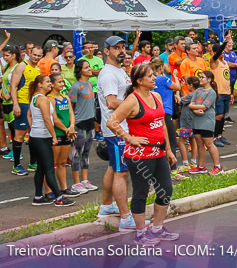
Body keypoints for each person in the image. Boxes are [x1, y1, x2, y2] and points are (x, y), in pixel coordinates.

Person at [106, 63, 180, 246]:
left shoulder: (156, 96)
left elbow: (162, 125)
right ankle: (140, 234)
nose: (154, 78)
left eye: (153, 75)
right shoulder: (132, 100)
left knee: (166, 189)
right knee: (141, 193)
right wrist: (129, 138)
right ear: (139, 81)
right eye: (150, 76)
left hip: (158, 152)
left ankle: (157, 228)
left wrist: (168, 150)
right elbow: (111, 121)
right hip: (139, 156)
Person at [96, 35, 135, 229]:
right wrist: (136, 105)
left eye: (123, 47)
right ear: (106, 51)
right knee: (122, 172)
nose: (121, 51)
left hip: (119, 127)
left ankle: (106, 206)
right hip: (118, 129)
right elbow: (111, 102)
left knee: (113, 168)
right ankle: (126, 218)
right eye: (116, 48)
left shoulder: (119, 71)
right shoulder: (109, 73)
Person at [27, 75, 74, 206]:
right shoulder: (42, 99)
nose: (50, 84)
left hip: (36, 136)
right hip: (42, 137)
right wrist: (54, 136)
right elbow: (48, 119)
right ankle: (59, 197)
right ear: (39, 85)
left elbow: (31, 116)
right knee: (49, 168)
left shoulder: (36, 98)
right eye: (47, 82)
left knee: (41, 168)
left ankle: (38, 197)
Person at [149, 58, 184, 181]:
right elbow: (178, 87)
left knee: (158, 142)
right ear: (161, 68)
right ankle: (173, 170)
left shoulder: (150, 80)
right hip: (166, 112)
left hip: (153, 113)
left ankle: (157, 172)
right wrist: (174, 76)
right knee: (171, 142)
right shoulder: (164, 79)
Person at [9, 45, 42, 175]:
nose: (36, 57)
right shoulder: (22, 66)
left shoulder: (38, 69)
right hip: (22, 104)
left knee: (33, 133)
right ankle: (16, 165)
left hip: (33, 104)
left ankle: (33, 162)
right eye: (34, 54)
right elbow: (13, 86)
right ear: (30, 53)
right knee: (19, 135)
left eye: (39, 56)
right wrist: (15, 104)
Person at [68, 59, 98, 192]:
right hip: (79, 124)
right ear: (80, 70)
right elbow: (71, 106)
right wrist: (72, 125)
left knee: (86, 153)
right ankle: (76, 183)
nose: (90, 69)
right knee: (76, 154)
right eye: (86, 67)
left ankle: (85, 180)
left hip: (90, 122)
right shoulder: (76, 86)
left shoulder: (90, 84)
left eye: (89, 67)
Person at [48, 73, 79, 196]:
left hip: (67, 133)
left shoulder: (65, 97)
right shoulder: (50, 99)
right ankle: (49, 191)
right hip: (57, 133)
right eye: (59, 82)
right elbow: (54, 119)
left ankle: (63, 188)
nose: (62, 84)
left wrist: (71, 127)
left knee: (62, 163)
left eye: (63, 82)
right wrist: (67, 129)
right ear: (52, 84)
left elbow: (71, 113)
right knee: (51, 164)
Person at [187, 70, 220, 174]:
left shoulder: (211, 92)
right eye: (200, 77)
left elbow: (205, 106)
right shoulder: (198, 91)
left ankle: (217, 166)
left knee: (209, 143)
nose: (200, 79)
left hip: (207, 121)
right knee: (199, 143)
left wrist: (193, 107)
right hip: (197, 120)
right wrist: (195, 109)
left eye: (202, 77)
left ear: (209, 80)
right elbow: (191, 104)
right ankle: (201, 166)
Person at [209, 40, 233, 147]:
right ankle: (214, 137)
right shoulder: (214, 62)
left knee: (223, 115)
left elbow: (227, 79)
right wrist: (224, 43)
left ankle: (219, 135)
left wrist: (231, 93)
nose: (222, 53)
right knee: (218, 115)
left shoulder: (225, 63)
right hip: (218, 93)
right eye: (220, 51)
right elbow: (216, 55)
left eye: (223, 51)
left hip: (226, 92)